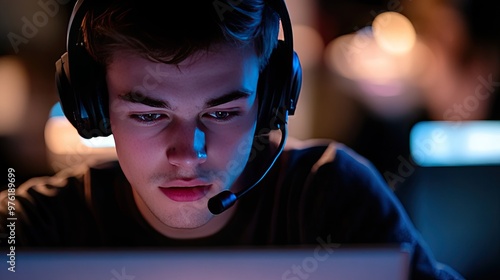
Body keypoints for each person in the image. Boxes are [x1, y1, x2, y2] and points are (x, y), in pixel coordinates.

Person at [0, 0, 463, 279]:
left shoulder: (330, 196)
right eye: (148, 114)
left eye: (221, 112)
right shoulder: (29, 229)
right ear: (96, 110)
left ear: (269, 102)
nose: (188, 154)